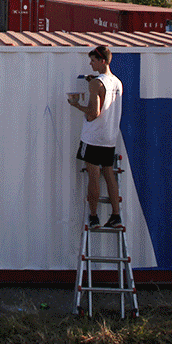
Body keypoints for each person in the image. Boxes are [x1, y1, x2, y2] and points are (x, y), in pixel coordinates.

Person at [66, 45, 124, 229]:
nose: (90, 64)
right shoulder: (117, 82)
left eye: (93, 60)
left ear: (102, 61)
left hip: (93, 137)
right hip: (109, 137)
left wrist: (76, 105)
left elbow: (93, 113)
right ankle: (116, 215)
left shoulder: (96, 84)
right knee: (109, 174)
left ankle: (94, 217)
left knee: (93, 174)